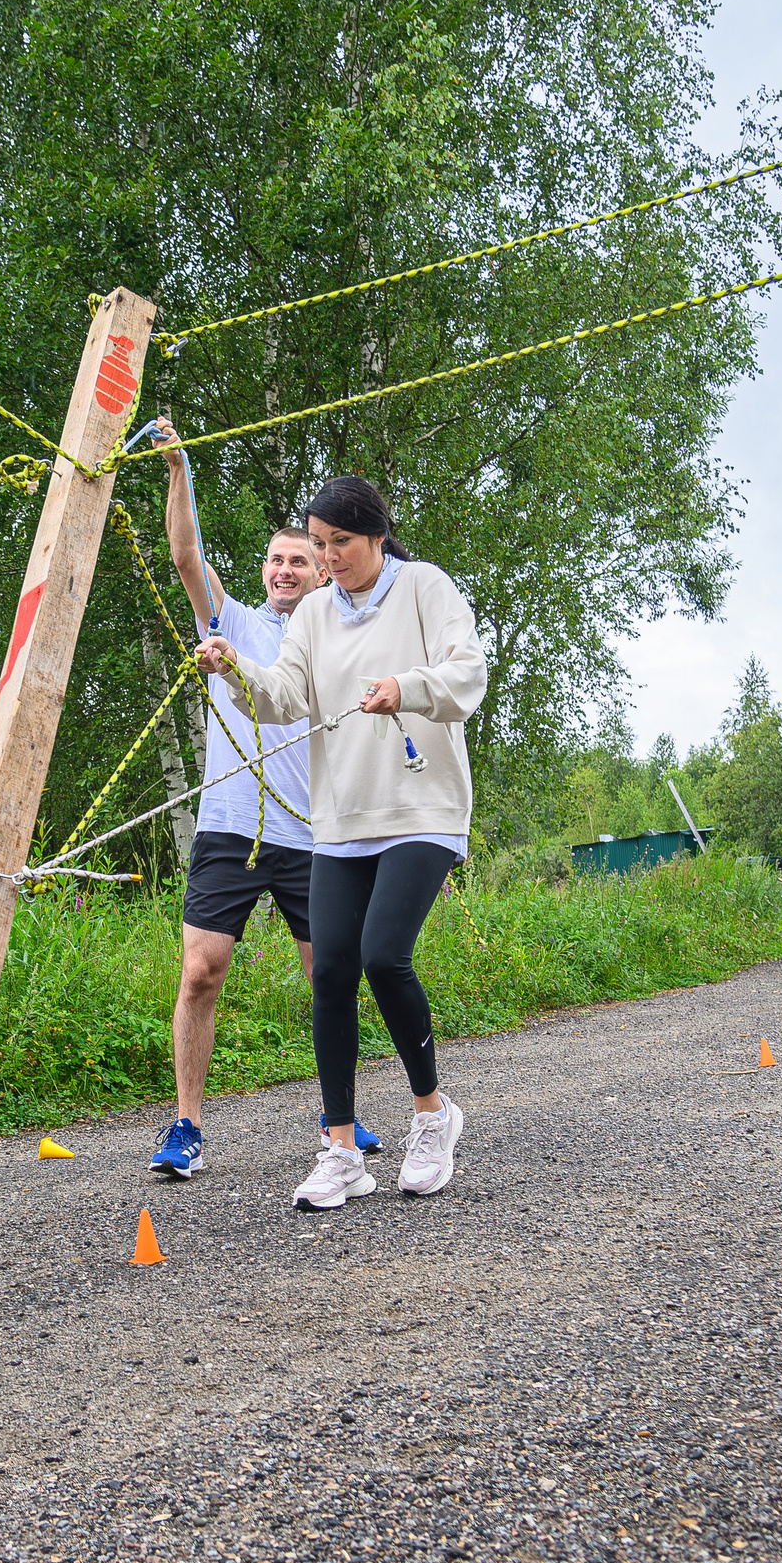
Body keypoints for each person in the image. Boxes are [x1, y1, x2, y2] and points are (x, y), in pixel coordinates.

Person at [196, 476, 486, 1211]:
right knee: (330, 974)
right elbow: (284, 696)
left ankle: (431, 1115)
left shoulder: (424, 587)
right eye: (318, 546)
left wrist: (407, 686)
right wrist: (235, 669)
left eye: (339, 545)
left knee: (385, 956)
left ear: (376, 534)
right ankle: (341, 1148)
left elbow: (467, 675)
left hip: (422, 807)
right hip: (343, 820)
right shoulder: (317, 613)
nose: (327, 559)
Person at [142, 421, 381, 1180]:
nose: (285, 569)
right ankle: (186, 1126)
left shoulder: (338, 635)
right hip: (229, 826)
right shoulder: (234, 621)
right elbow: (185, 554)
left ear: (321, 572)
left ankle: (336, 1117)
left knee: (331, 975)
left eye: (300, 560)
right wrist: (179, 469)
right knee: (201, 971)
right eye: (276, 559)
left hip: (314, 832)